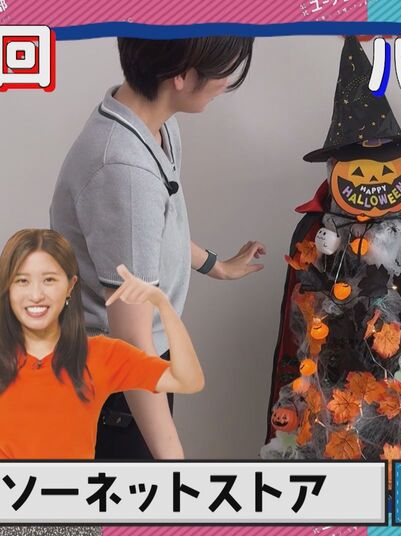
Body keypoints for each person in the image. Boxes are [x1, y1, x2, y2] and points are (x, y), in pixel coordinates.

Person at [50, 36, 266, 460]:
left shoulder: (150, 122)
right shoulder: (124, 170)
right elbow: (131, 341)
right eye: (223, 69)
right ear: (181, 76)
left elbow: (146, 233)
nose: (225, 83)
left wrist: (216, 266)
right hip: (113, 384)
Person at [0, 228, 205, 459]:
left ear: (70, 287)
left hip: (72, 513)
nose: (36, 294)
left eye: (49, 280)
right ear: (6, 289)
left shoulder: (102, 355)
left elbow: (188, 381)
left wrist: (163, 306)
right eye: (22, 281)